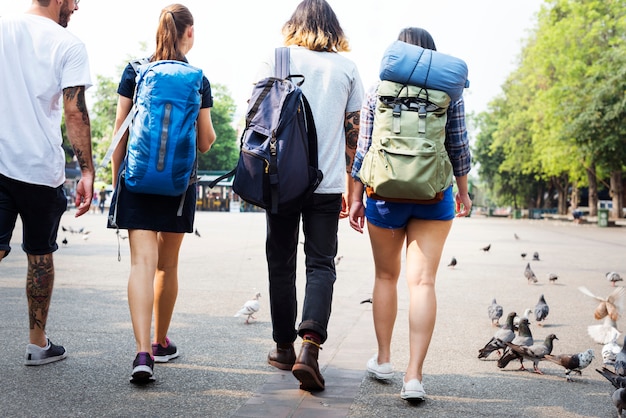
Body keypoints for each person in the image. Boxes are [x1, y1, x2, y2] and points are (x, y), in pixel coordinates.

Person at [348, 27, 472, 401]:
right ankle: (414, 376)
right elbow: (459, 146)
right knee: (423, 284)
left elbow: (363, 150)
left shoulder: (377, 89)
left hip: (384, 195)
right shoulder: (449, 93)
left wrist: (355, 197)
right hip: (434, 196)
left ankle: (384, 359)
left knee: (386, 277)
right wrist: (463, 192)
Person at [107, 3, 216, 382]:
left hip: (137, 182)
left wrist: (116, 181)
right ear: (189, 33)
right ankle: (160, 342)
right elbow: (205, 142)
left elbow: (120, 129)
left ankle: (141, 354)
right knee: (166, 265)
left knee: (141, 264)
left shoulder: (135, 71)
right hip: (178, 188)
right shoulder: (197, 79)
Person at [259, 0, 364, 392]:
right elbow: (356, 137)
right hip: (326, 183)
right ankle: (310, 349)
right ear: (333, 29)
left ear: (294, 24)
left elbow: (255, 121)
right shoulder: (347, 68)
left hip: (281, 181)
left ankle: (284, 347)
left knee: (280, 261)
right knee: (321, 264)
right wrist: (355, 190)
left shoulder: (276, 60)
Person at [0, 0, 94, 365]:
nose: (76, 7)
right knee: (39, 255)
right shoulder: (68, 44)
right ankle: (37, 344)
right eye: (73, 0)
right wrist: (86, 171)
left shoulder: (3, 29)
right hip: (39, 168)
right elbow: (74, 110)